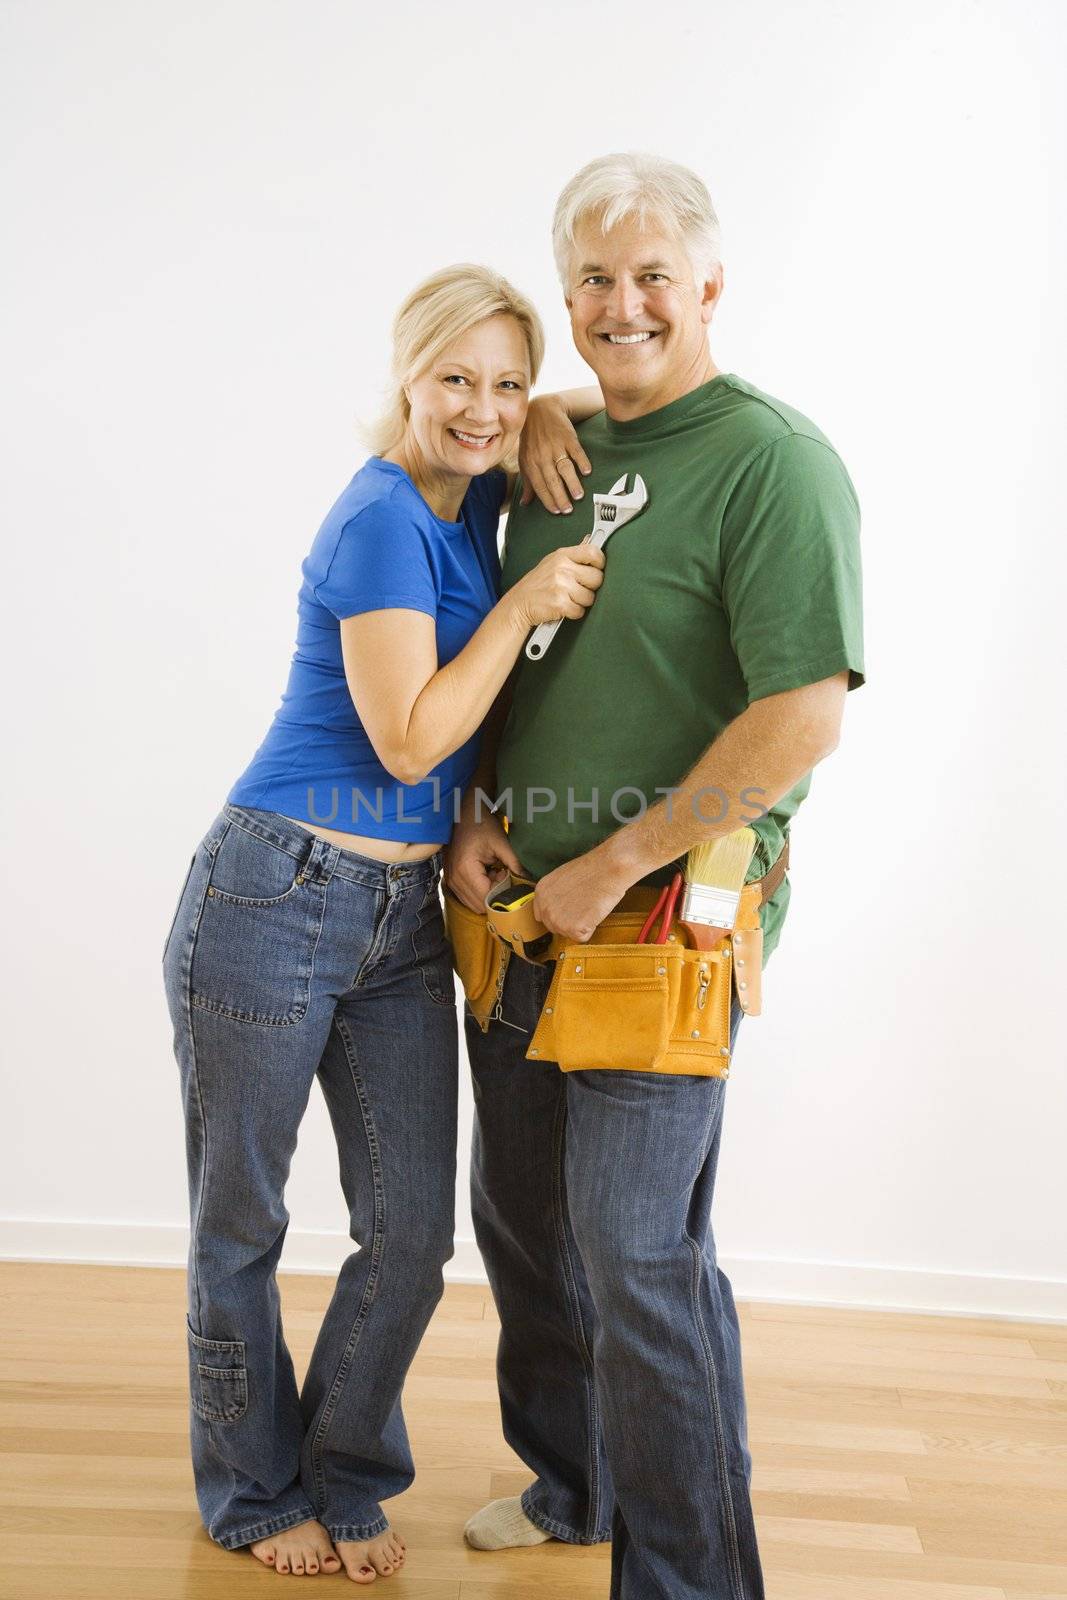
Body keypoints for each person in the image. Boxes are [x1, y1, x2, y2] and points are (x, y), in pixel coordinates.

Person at [447, 154, 866, 1600]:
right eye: (595, 281)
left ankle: (690, 1581)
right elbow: (519, 657)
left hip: (661, 921)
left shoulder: (774, 463)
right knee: (527, 1231)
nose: (622, 307)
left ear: (709, 287)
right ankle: (576, 1488)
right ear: (565, 295)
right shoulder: (549, 455)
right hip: (516, 910)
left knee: (637, 1259)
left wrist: (613, 863)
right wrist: (479, 813)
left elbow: (802, 712)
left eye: (651, 279)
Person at [162, 263, 607, 1582]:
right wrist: (529, 604)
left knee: (411, 1228)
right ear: (405, 372)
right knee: (241, 1224)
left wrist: (464, 817)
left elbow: (440, 755)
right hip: (273, 891)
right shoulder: (376, 520)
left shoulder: (471, 502)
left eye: (506, 384)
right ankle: (250, 1497)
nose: (480, 407)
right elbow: (407, 726)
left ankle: (347, 1473)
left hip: (401, 913)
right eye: (454, 378)